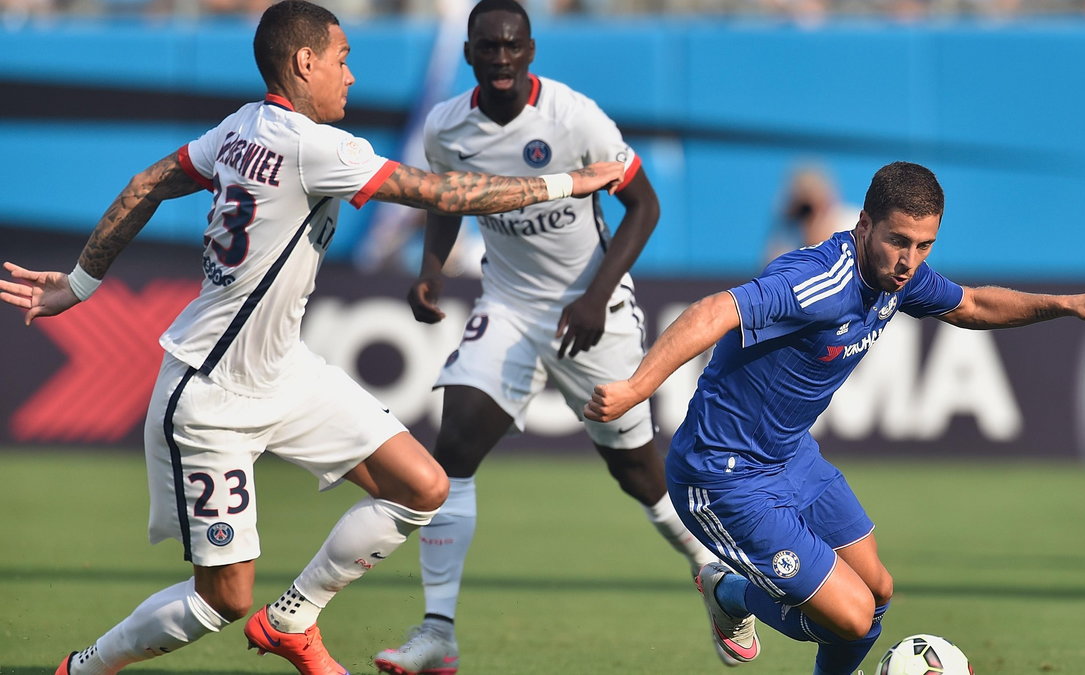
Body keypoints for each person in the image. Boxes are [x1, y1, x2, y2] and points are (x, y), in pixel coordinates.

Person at [0, 3, 623, 674]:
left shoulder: (240, 127)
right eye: (343, 58)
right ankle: (82, 668)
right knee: (222, 599)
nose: (351, 77)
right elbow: (447, 194)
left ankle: (294, 617)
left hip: (284, 373)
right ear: (305, 63)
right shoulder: (315, 146)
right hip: (212, 398)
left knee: (422, 485)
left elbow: (146, 183)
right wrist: (568, 181)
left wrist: (79, 285)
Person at [584, 161, 1085, 675]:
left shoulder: (900, 277)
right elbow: (713, 311)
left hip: (789, 456)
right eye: (898, 241)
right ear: (864, 224)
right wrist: (637, 387)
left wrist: (1066, 304)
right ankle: (726, 592)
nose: (909, 262)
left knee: (877, 591)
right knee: (853, 620)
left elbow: (972, 305)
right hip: (723, 474)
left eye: (924, 246)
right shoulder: (819, 279)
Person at [372, 1, 719, 672]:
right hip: (507, 305)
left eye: (512, 46)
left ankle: (710, 571)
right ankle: (437, 631)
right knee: (454, 449)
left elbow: (644, 204)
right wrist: (429, 272)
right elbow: (449, 201)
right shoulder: (447, 127)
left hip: (597, 312)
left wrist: (594, 294)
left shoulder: (575, 118)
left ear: (531, 51)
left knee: (637, 471)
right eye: (487, 47)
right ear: (469, 53)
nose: (501, 58)